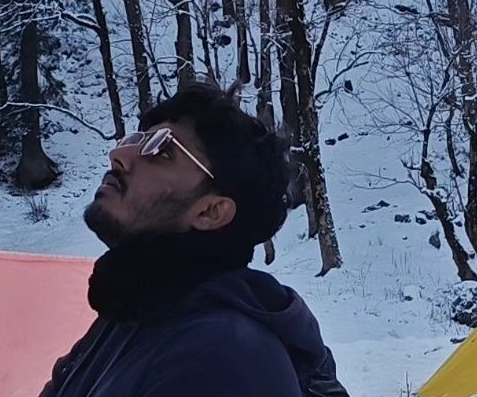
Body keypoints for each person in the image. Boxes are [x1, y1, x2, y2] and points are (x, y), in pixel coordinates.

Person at [39, 83, 349, 396]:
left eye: (161, 150)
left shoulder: (225, 360)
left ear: (211, 212)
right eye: (137, 139)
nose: (118, 154)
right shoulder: (131, 313)